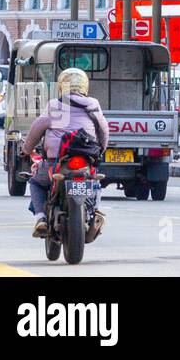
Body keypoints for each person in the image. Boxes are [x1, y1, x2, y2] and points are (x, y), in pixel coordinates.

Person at [21, 68, 109, 236]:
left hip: (57, 160)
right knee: (95, 180)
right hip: (86, 158)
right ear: (85, 86)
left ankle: (41, 219)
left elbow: (36, 128)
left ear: (62, 86)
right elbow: (104, 130)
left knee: (36, 183)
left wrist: (26, 150)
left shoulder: (54, 105)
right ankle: (95, 210)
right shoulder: (93, 104)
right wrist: (102, 149)